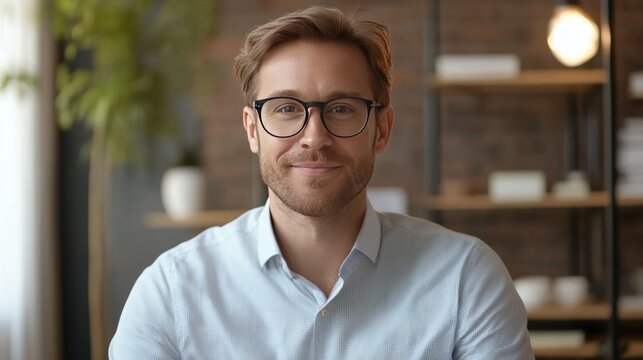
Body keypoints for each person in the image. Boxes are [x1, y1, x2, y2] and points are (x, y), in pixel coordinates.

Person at [110, 6, 534, 359]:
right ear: (253, 130)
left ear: (382, 129)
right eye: (286, 108)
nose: (314, 136)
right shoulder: (171, 291)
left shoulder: (466, 279)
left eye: (343, 109)